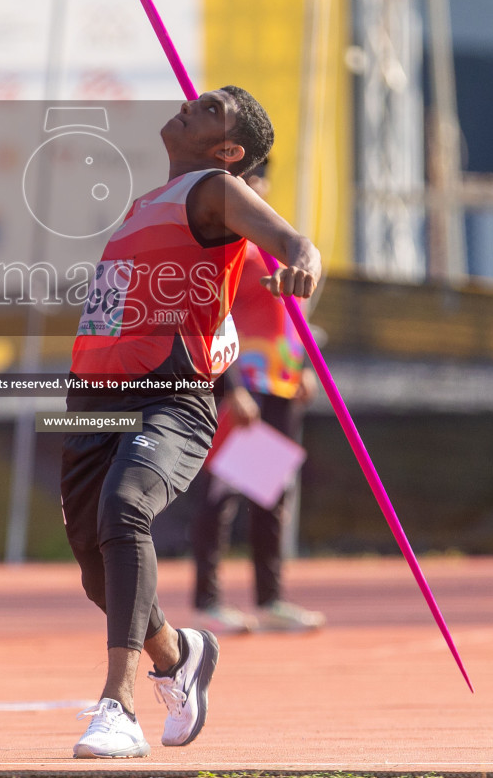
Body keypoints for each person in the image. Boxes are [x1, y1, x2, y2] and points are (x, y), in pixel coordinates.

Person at [61, 86, 320, 759]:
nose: (191, 103)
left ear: (228, 151)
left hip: (183, 394)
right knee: (97, 566)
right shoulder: (147, 202)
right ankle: (182, 652)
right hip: (97, 398)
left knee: (139, 508)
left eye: (210, 109)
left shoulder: (216, 188)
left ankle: (119, 704)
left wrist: (305, 265)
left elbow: (295, 243)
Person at [190, 160, 326, 635]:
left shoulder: (278, 245)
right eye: (245, 183)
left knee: (271, 494)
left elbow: (288, 317)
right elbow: (212, 320)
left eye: (259, 179)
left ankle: (270, 600)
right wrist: (233, 389)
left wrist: (301, 368)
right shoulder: (228, 248)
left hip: (280, 383)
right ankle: (207, 601)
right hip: (240, 386)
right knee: (222, 492)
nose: (256, 189)